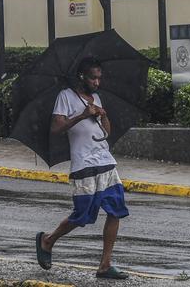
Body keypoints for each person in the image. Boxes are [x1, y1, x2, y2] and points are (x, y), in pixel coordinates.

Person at [35, 56, 129, 280]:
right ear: (82, 77)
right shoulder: (65, 97)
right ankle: (47, 240)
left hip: (106, 162)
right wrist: (82, 115)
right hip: (84, 164)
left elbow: (106, 133)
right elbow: (56, 128)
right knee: (82, 216)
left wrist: (102, 115)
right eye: (93, 78)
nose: (97, 83)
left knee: (116, 211)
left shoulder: (96, 98)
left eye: (99, 78)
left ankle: (105, 265)